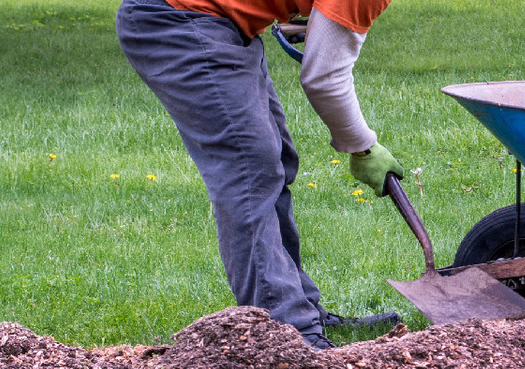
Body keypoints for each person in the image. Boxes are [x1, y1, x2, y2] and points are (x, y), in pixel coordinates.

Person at [116, 0, 404, 350]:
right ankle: (286, 331)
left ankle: (300, 309)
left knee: (275, 158)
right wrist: (362, 146)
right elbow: (324, 78)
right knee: (249, 167)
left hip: (222, 22)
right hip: (177, 19)